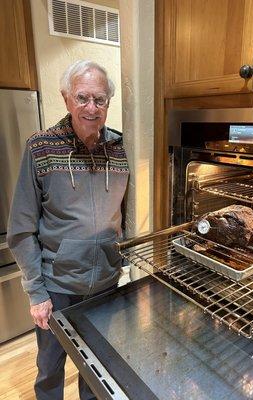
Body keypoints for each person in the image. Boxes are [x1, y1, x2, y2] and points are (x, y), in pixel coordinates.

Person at [7, 60, 129, 400]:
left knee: (97, 365)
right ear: (66, 99)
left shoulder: (120, 150)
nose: (91, 108)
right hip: (57, 286)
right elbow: (20, 230)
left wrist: (124, 263)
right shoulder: (40, 147)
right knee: (50, 368)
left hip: (106, 283)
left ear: (108, 102)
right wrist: (36, 293)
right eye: (82, 97)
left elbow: (124, 215)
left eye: (100, 99)